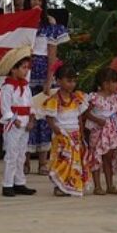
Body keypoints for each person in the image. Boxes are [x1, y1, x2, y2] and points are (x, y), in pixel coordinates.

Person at [25, 0, 70, 175]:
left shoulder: (49, 25)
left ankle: (42, 162)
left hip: (43, 72)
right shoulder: (20, 21)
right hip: (25, 71)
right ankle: (25, 161)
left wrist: (49, 79)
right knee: (27, 115)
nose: (36, 2)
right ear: (28, 0)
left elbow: (52, 54)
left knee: (43, 116)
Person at [0, 46, 37, 197]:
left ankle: (19, 182)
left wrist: (31, 119)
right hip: (14, 124)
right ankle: (7, 184)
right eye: (23, 67)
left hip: (25, 123)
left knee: (21, 154)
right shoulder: (7, 88)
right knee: (12, 154)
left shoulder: (26, 87)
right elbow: (5, 108)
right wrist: (15, 120)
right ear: (13, 69)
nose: (26, 71)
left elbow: (31, 105)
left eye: (27, 67)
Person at [42, 63, 88, 197]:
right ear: (58, 81)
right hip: (61, 134)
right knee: (62, 161)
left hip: (74, 134)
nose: (72, 84)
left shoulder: (77, 98)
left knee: (74, 162)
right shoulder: (54, 99)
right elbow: (50, 118)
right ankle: (59, 186)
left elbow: (79, 116)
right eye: (68, 81)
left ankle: (70, 185)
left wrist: (81, 132)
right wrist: (57, 131)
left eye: (74, 81)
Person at [84, 67, 117, 195]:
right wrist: (97, 120)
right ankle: (97, 186)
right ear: (105, 83)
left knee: (108, 158)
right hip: (97, 131)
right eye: (114, 82)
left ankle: (110, 185)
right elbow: (85, 113)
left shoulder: (116, 98)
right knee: (96, 157)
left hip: (112, 132)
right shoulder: (94, 98)